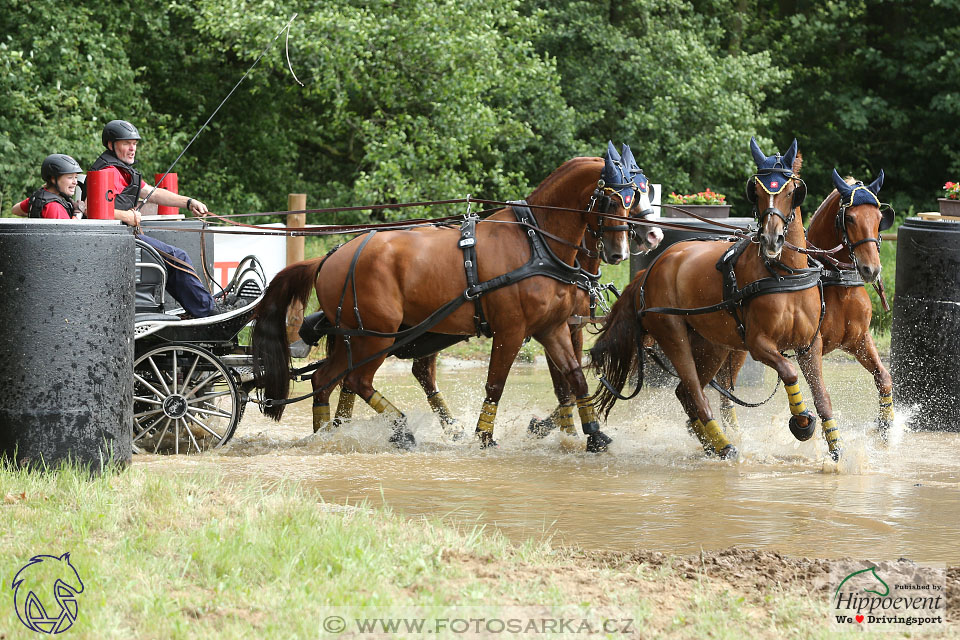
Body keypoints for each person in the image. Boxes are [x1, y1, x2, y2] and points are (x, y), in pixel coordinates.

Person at [89, 119, 229, 318]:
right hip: (118, 240)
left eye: (135, 144)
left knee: (171, 261)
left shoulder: (122, 170)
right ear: (111, 145)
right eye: (126, 143)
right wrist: (127, 215)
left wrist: (188, 202)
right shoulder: (107, 171)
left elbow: (152, 193)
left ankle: (200, 309)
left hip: (125, 238)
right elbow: (91, 208)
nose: (132, 148)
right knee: (178, 258)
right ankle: (208, 312)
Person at [10, 154, 86, 219]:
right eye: (70, 177)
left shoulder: (39, 196)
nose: (75, 182)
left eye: (76, 177)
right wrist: (77, 214)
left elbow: (15, 210)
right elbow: (69, 234)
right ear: (53, 179)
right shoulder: (55, 207)